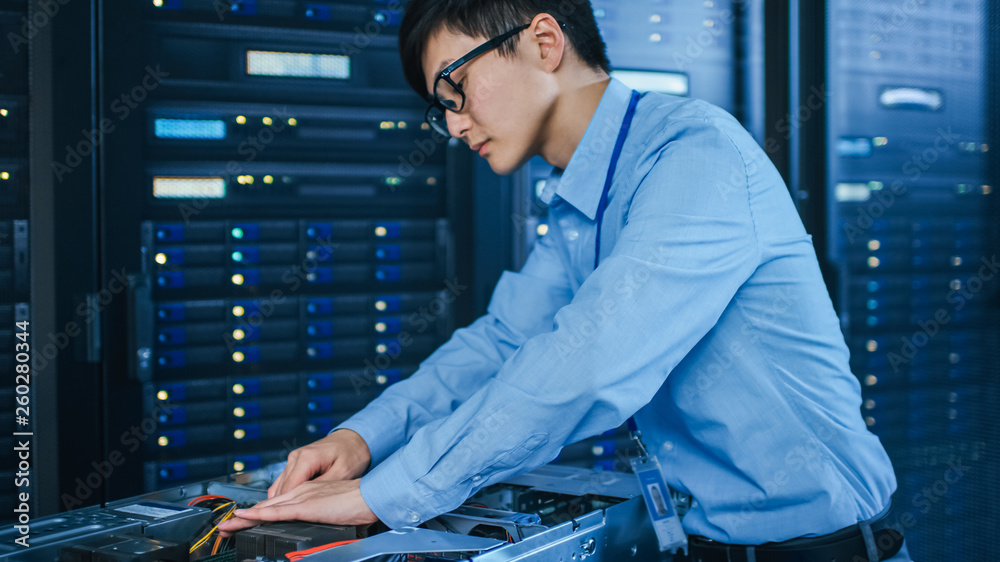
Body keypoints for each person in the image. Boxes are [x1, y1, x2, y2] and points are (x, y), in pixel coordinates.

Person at [220, 1, 911, 560]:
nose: (454, 124)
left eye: (456, 86)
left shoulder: (696, 155)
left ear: (544, 42)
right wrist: (363, 439)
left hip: (820, 552)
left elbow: (588, 362)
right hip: (702, 546)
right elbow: (500, 344)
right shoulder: (583, 201)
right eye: (441, 106)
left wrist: (388, 492)